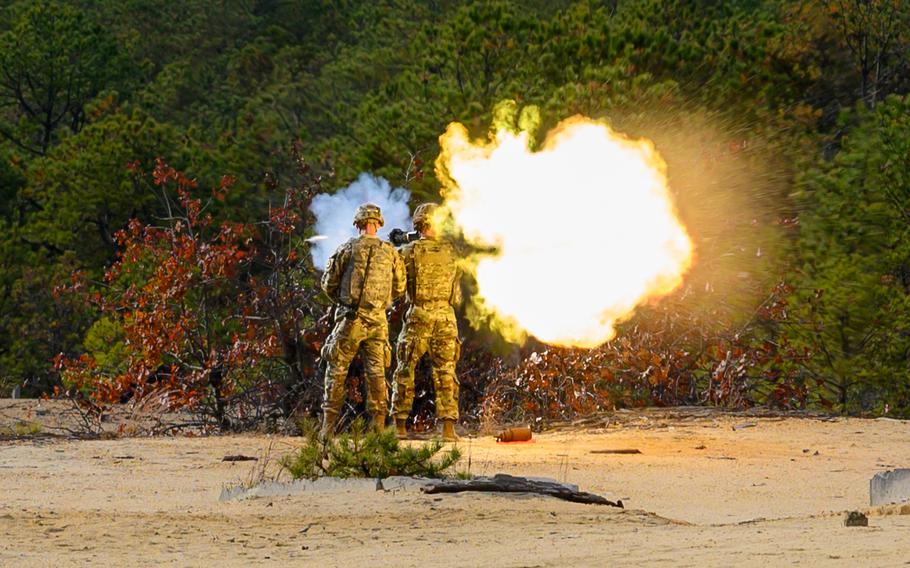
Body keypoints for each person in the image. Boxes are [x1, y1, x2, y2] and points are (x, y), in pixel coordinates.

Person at [320, 203, 405, 436]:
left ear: (358, 224)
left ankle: (327, 428)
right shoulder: (391, 252)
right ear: (378, 224)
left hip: (351, 319)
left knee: (336, 369)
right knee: (377, 374)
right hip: (378, 322)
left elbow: (328, 284)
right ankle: (378, 430)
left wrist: (343, 300)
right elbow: (400, 287)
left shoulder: (347, 248)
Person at [390, 203, 462, 441]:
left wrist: (398, 243)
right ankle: (448, 429)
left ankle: (400, 426)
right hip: (445, 316)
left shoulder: (408, 252)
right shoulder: (452, 252)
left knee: (405, 370)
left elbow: (398, 287)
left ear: (419, 224)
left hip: (418, 316)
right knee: (446, 371)